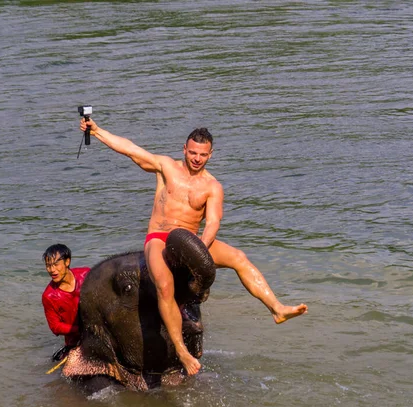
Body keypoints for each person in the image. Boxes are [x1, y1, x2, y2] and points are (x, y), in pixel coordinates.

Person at [79, 118, 308, 375]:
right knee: (165, 286)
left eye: (203, 154)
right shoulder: (166, 168)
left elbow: (212, 222)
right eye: (193, 153)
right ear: (184, 149)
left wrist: (197, 250)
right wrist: (97, 132)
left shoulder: (212, 187)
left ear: (211, 154)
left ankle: (276, 308)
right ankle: (181, 350)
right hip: (159, 237)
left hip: (192, 241)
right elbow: (131, 150)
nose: (197, 159)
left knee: (238, 257)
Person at [41, 243, 90, 361]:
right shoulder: (49, 296)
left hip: (100, 331)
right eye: (48, 266)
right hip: (75, 342)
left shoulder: (87, 275)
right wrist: (79, 329)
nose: (52, 270)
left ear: (67, 262)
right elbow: (55, 327)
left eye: (56, 264)